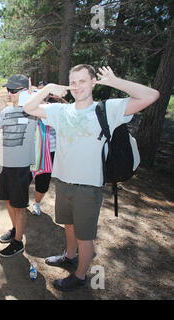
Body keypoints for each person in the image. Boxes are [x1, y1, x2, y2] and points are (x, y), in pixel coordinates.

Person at [23, 64, 159, 291]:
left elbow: (151, 95)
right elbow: (29, 107)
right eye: (73, 82)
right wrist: (47, 89)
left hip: (88, 186)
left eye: (82, 81)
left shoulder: (107, 109)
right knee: (68, 225)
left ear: (93, 82)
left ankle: (80, 275)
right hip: (63, 182)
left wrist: (115, 82)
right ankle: (69, 255)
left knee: (85, 236)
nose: (77, 87)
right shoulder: (61, 111)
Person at [0, 74, 37, 257]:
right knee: (8, 202)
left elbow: (42, 101)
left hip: (22, 166)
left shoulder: (32, 110)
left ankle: (18, 242)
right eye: (8, 90)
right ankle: (15, 229)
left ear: (24, 91)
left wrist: (31, 94)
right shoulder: (5, 111)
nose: (9, 93)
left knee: (20, 206)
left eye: (13, 90)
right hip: (5, 165)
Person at [29, 94, 67, 216]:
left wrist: (58, 99)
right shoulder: (31, 106)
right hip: (31, 149)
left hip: (50, 151)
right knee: (24, 178)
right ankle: (22, 200)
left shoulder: (57, 107)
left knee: (43, 181)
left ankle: (37, 203)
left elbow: (71, 110)